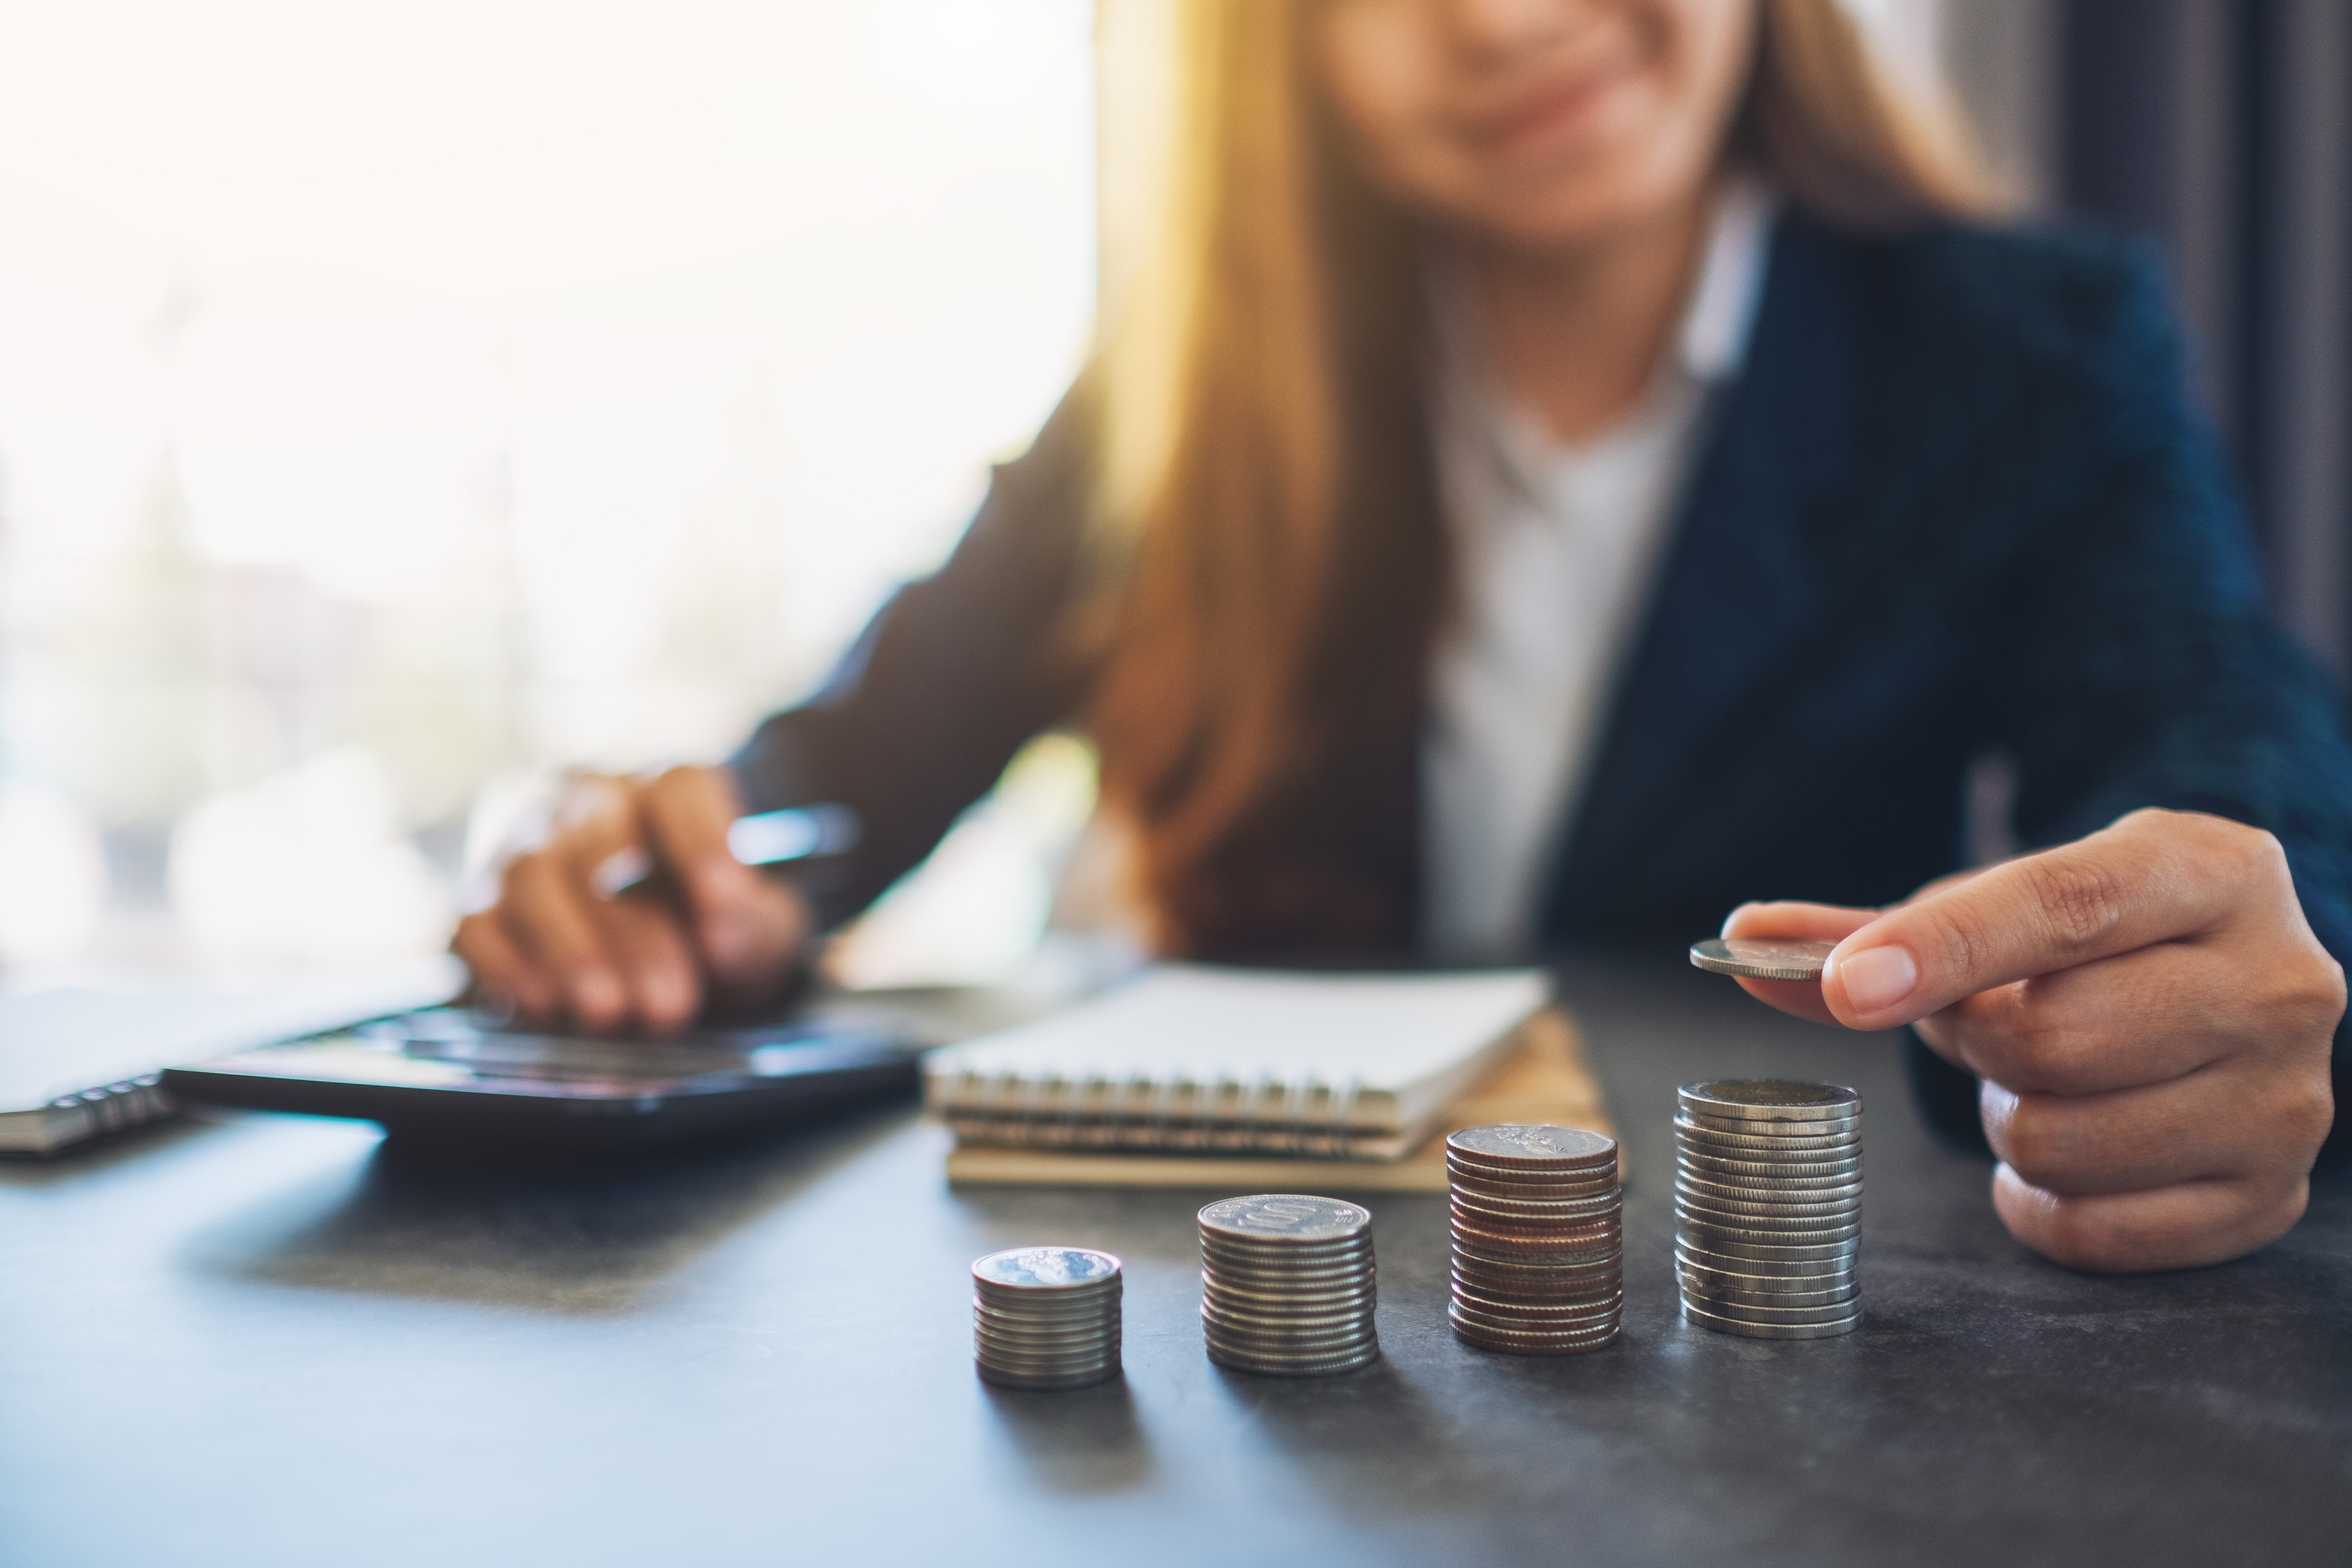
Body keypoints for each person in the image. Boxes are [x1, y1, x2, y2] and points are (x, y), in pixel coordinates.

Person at [454, 0, 2351, 1275]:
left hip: (1733, 1353)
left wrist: (2215, 952)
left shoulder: (2031, 350)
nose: (1506, 18)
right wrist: (673, 870)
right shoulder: (1183, 405)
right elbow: (834, 777)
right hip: (1241, 1352)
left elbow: (2211, 736)